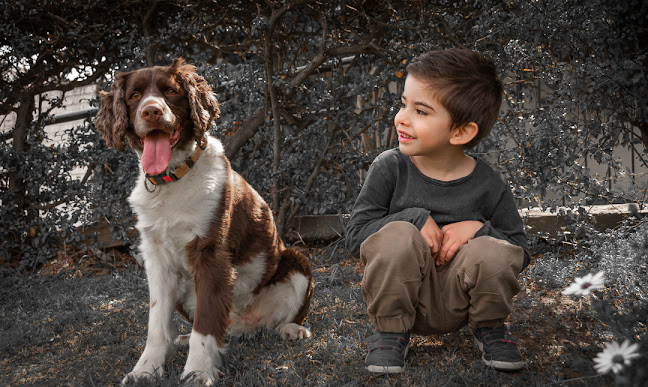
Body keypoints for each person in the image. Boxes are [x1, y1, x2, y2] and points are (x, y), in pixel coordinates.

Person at [345, 48, 530, 374]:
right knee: (397, 235)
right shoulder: (390, 168)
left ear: (460, 132)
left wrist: (477, 229)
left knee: (495, 250)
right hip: (403, 297)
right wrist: (413, 218)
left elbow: (520, 251)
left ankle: (490, 328)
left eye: (421, 111)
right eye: (404, 104)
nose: (401, 117)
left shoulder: (489, 183)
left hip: (463, 299)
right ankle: (390, 334)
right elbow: (356, 236)